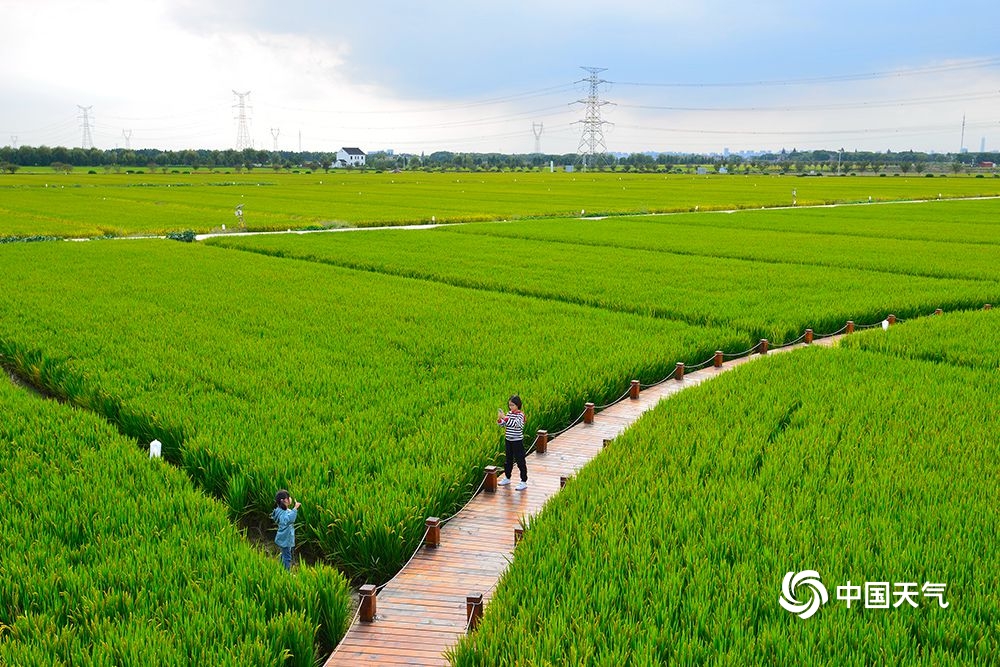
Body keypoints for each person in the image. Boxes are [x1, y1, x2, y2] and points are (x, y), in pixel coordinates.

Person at [497, 394, 528, 490]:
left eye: (513, 405)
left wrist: (505, 417)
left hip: (517, 441)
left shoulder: (520, 415)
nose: (511, 407)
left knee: (520, 461)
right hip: (508, 440)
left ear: (518, 405)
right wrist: (500, 420)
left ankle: (523, 481)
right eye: (510, 405)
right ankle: (507, 477)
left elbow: (516, 424)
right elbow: (505, 424)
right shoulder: (509, 413)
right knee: (508, 460)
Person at [271, 489, 301, 570]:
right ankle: (286, 573)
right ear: (283, 501)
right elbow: (289, 519)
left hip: (284, 537)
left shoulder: (280, 510)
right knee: (287, 556)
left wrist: (293, 509)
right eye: (288, 497)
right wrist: (295, 508)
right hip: (286, 538)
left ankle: (281, 567)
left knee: (285, 553)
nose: (290, 499)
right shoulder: (283, 514)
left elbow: (288, 513)